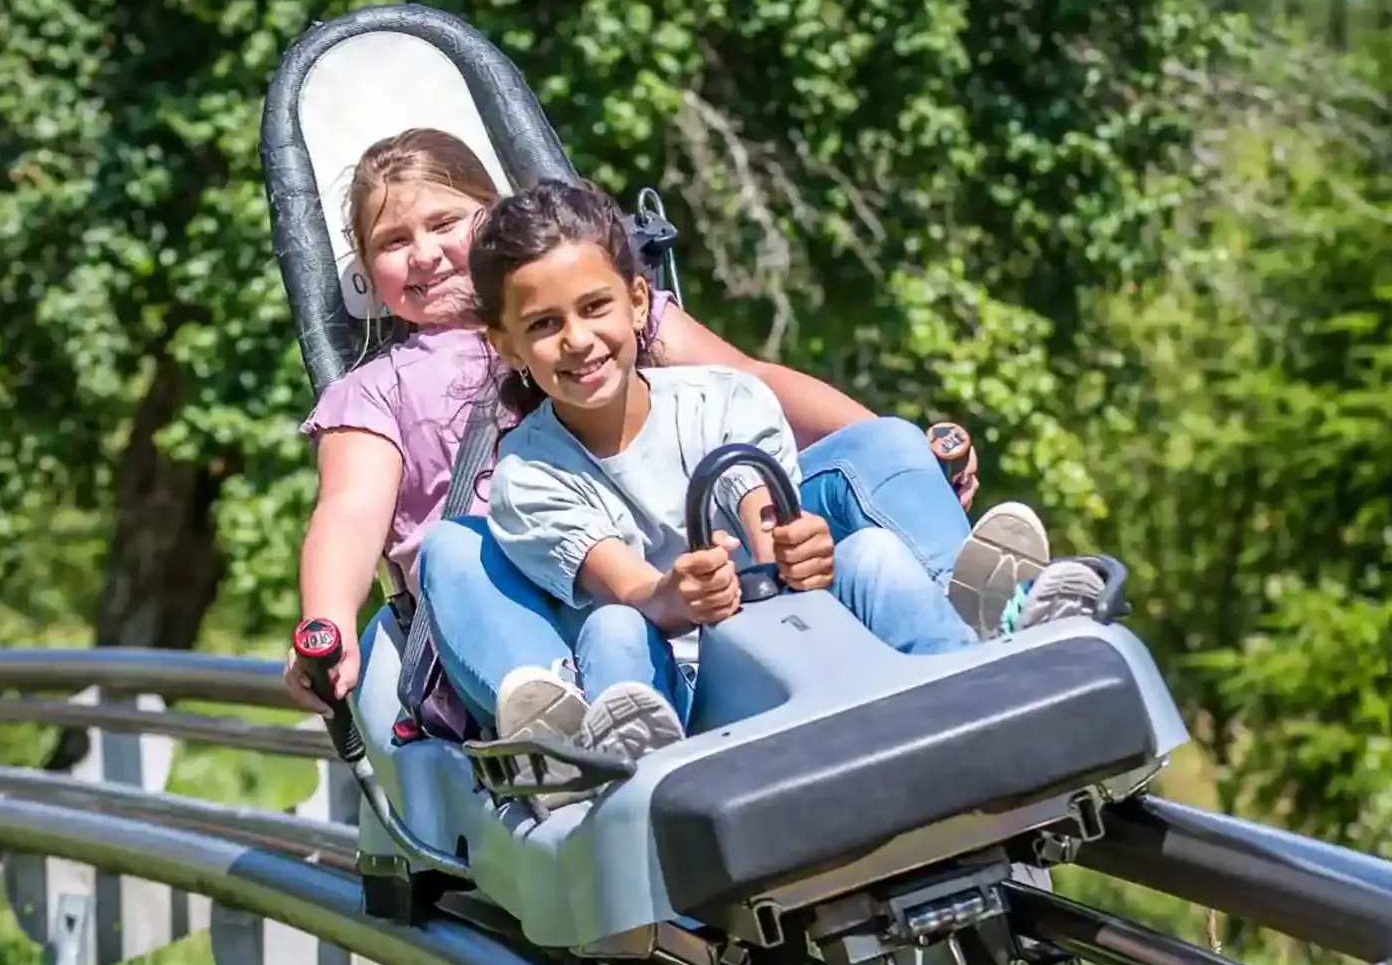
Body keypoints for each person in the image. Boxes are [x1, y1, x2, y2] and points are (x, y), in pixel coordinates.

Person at [282, 126, 1050, 732]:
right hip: (545, 600)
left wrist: (910, 454)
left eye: (444, 221)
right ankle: (559, 716)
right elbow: (348, 511)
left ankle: (971, 602)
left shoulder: (602, 309)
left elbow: (753, 383)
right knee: (457, 544)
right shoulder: (372, 391)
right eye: (392, 242)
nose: (423, 253)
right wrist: (325, 622)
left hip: (697, 550)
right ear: (365, 273)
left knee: (878, 443)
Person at [469, 178, 1109, 761]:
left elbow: (765, 515)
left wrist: (797, 551)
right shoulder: (527, 474)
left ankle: (986, 666)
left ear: (638, 301)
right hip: (683, 695)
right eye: (545, 325)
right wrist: (679, 595)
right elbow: (634, 592)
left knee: (874, 553)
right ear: (507, 344)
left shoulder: (722, 398)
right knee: (613, 627)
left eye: (594, 307)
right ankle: (636, 767)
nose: (578, 340)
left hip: (778, 646)